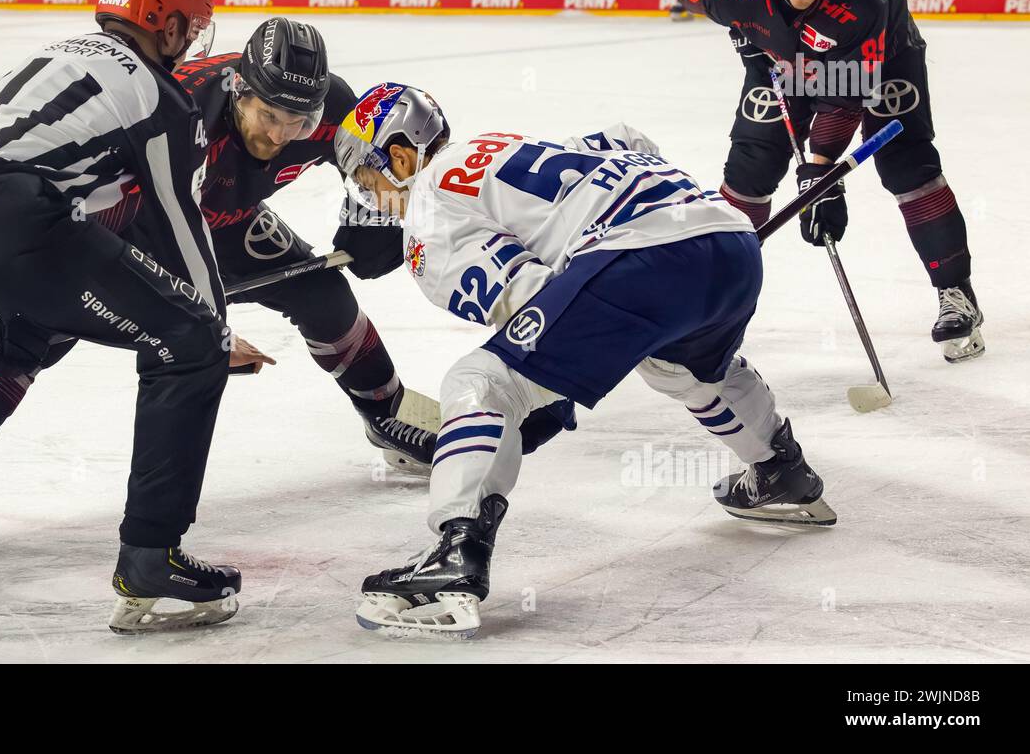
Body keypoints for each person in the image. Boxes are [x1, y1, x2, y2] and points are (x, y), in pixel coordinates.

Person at [0, 20, 474, 546]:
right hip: (137, 223)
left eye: (298, 123)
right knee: (42, 330)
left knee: (324, 293)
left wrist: (372, 221)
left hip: (223, 216)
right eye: (268, 116)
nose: (280, 135)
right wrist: (206, 321)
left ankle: (385, 411)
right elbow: (150, 226)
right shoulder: (183, 111)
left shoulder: (329, 107)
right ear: (240, 90)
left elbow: (365, 157)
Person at [0, 0, 276, 633]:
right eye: (187, 26)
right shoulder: (160, 94)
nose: (188, 43)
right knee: (189, 343)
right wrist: (213, 326)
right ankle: (152, 557)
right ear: (166, 24)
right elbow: (181, 223)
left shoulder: (61, 51)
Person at [333, 85, 833, 638]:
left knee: (480, 382)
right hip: (727, 239)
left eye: (367, 181)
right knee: (681, 367)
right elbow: (629, 137)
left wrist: (538, 399)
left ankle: (458, 551)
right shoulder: (510, 144)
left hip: (641, 258)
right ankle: (780, 469)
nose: (372, 199)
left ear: (401, 157)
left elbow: (530, 302)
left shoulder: (428, 210)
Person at [674, 0, 984, 364]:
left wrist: (820, 179)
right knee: (750, 170)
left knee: (909, 166)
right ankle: (715, 306)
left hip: (883, 58)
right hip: (778, 59)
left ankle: (956, 293)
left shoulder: (862, 0)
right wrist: (744, 29)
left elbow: (844, 103)